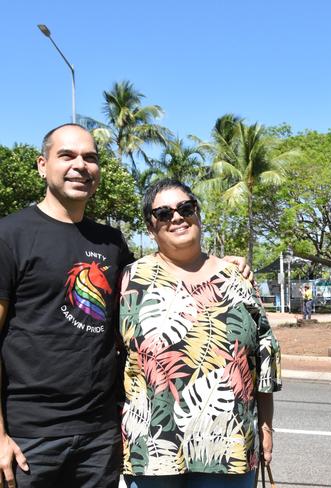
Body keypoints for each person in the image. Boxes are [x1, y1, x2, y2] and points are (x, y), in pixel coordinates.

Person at [0, 124, 252, 488]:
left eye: (90, 157)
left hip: (101, 436)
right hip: (30, 437)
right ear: (42, 165)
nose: (80, 166)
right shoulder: (10, 236)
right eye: (67, 156)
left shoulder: (111, 243)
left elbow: (163, 279)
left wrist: (220, 265)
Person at [119, 179, 281, 488]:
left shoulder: (237, 278)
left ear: (198, 214)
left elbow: (264, 358)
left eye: (185, 208)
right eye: (164, 213)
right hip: (153, 452)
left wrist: (267, 427)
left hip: (229, 448)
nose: (177, 217)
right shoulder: (129, 279)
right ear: (151, 228)